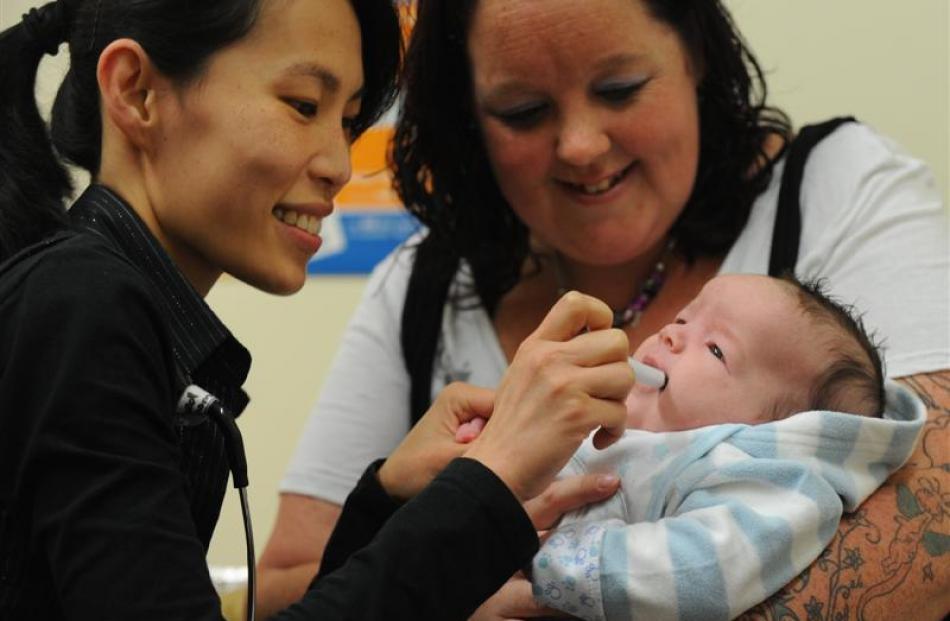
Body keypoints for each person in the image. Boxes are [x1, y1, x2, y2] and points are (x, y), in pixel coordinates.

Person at [261, 0, 950, 619]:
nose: (581, 146)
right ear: (467, 115)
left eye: (619, 89)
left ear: (695, 57)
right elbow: (284, 587)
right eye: (524, 111)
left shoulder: (836, 188)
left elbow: (936, 525)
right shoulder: (417, 288)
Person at [0, 1, 637, 619]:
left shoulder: (91, 300)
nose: (338, 164)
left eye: (349, 121)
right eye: (304, 105)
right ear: (137, 91)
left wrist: (386, 500)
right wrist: (494, 478)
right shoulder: (84, 304)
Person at [521, 274, 926, 620]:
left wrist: (544, 559)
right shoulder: (610, 421)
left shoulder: (760, 479)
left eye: (716, 349)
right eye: (683, 318)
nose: (671, 334)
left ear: (771, 432)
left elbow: (702, 568)